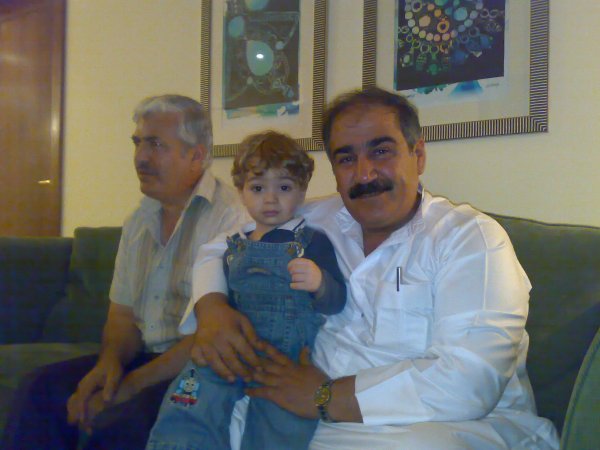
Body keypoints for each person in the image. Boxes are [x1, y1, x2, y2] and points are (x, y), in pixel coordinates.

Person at [180, 87, 560, 449]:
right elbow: (220, 246)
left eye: (381, 151)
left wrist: (325, 396)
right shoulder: (314, 222)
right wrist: (211, 308)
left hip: (444, 427)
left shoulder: (469, 239)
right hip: (312, 416)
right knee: (209, 420)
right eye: (346, 159)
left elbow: (469, 383)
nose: (364, 174)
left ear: (418, 155)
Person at [1, 95, 247, 449]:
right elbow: (122, 315)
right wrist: (109, 365)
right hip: (144, 359)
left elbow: (213, 335)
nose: (141, 157)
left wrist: (133, 385)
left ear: (196, 155)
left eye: (156, 145)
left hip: (199, 369)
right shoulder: (138, 221)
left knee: (125, 421)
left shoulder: (232, 219)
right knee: (39, 391)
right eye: (138, 142)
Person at [147, 131, 346, 450]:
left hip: (283, 358)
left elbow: (336, 302)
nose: (271, 199)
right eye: (258, 188)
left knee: (281, 424)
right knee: (191, 400)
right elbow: (218, 302)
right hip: (233, 346)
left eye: (284, 188)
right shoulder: (232, 246)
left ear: (301, 190)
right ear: (241, 191)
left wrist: (320, 283)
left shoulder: (311, 241)